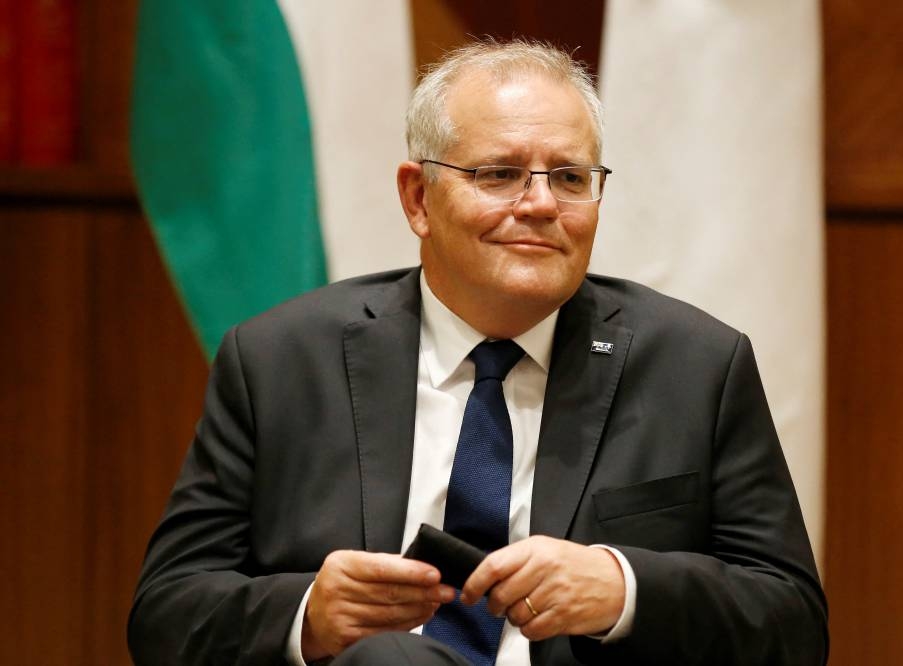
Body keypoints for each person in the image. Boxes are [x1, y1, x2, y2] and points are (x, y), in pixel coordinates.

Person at [128, 39, 828, 665]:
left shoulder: (696, 365)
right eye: (499, 174)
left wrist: (625, 589)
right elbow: (166, 615)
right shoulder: (279, 361)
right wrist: (309, 615)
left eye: (571, 178)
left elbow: (793, 623)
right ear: (418, 198)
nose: (541, 204)